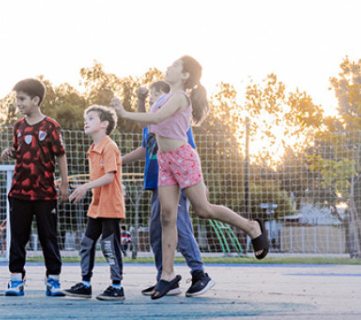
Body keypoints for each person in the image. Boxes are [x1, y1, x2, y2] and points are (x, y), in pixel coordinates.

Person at [111, 55, 269, 300]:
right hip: (164, 160)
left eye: (174, 66)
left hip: (183, 157)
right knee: (167, 217)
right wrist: (140, 101)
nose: (168, 67)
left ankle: (251, 227)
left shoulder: (180, 98)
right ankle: (167, 276)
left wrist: (123, 112)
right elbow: (149, 126)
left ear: (185, 75)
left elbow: (156, 119)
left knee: (203, 209)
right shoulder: (163, 97)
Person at [121, 81, 214, 297]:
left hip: (177, 182)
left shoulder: (176, 123)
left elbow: (188, 152)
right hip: (157, 182)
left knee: (180, 226)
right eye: (151, 95)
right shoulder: (153, 126)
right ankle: (165, 277)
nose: (153, 98)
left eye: (157, 95)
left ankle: (199, 272)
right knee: (156, 231)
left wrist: (200, 183)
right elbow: (145, 148)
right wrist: (119, 161)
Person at [0, 78, 70, 297]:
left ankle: (53, 280)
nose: (18, 104)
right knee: (18, 237)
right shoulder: (18, 127)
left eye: (22, 99)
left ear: (35, 100)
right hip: (20, 191)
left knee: (48, 236)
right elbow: (19, 149)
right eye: (17, 99)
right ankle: (15, 280)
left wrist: (65, 184)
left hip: (44, 192)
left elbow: (60, 155)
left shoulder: (51, 126)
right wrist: (10, 152)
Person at [64, 105, 126, 301]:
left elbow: (109, 177)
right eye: (86, 118)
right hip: (97, 205)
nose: (86, 121)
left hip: (110, 206)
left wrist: (85, 187)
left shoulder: (109, 146)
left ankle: (117, 287)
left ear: (104, 124)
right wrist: (75, 185)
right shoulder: (92, 150)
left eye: (91, 118)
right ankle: (85, 284)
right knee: (86, 244)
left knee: (109, 246)